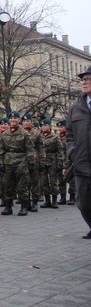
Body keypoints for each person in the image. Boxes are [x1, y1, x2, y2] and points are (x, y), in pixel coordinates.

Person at [65, 66, 91, 239]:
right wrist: (72, 151)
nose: (84, 82)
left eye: (88, 79)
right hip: (82, 162)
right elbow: (69, 134)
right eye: (83, 79)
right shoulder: (76, 108)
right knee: (83, 203)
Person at [0, 111, 35, 216]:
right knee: (8, 184)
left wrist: (31, 161)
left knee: (22, 185)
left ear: (19, 120)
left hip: (21, 161)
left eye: (15, 118)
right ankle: (8, 206)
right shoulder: (5, 134)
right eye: (11, 118)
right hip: (8, 160)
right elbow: (1, 149)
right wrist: (0, 162)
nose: (13, 120)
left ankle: (24, 206)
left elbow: (29, 148)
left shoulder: (24, 133)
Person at [39, 119, 61, 209]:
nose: (44, 127)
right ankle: (47, 200)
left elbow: (59, 151)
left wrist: (60, 162)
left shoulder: (55, 137)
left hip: (52, 161)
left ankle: (54, 200)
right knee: (43, 182)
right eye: (42, 125)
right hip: (42, 161)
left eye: (46, 125)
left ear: (50, 126)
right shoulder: (39, 136)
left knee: (53, 181)